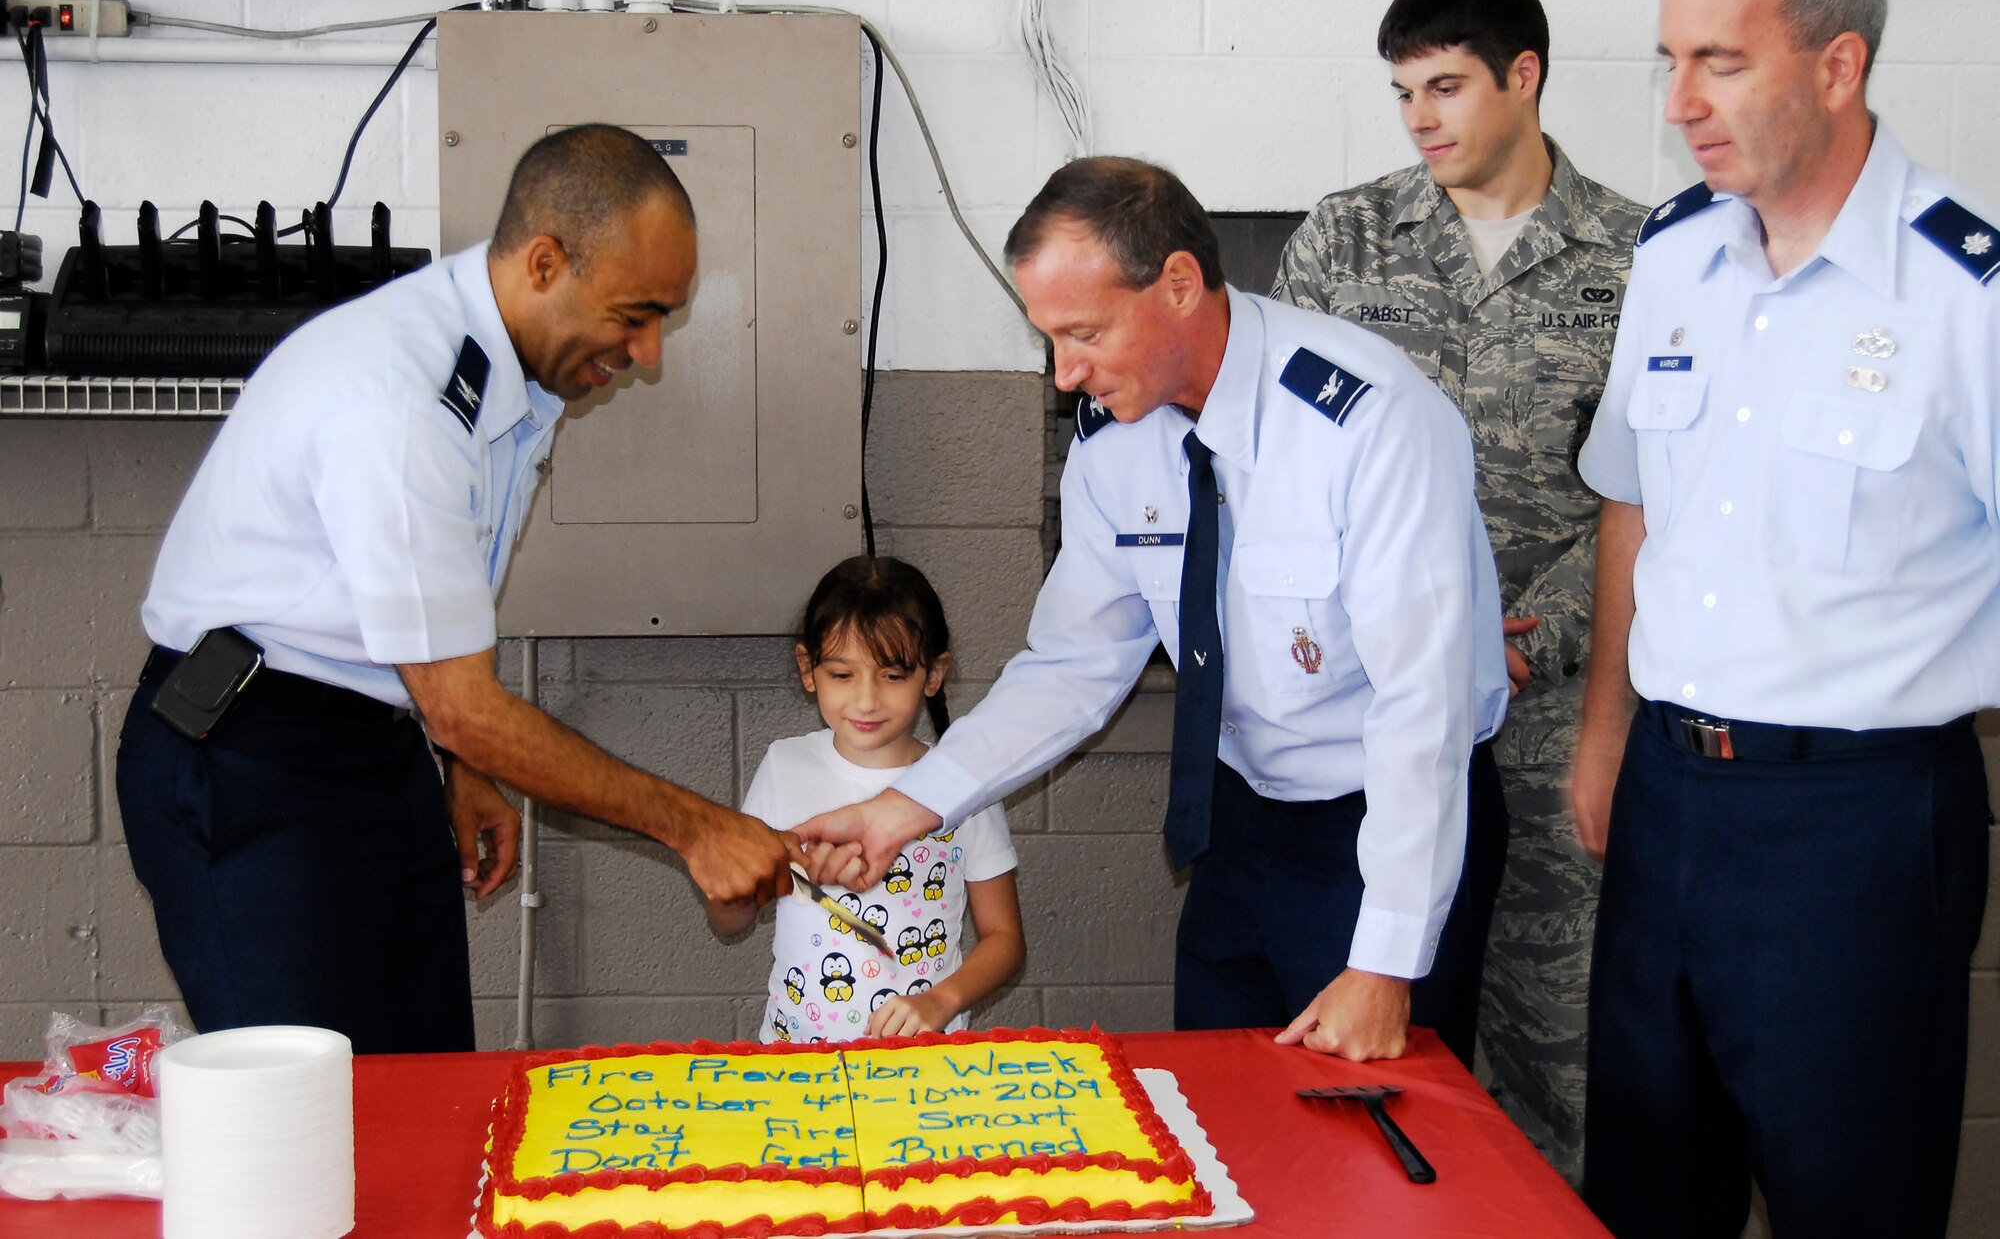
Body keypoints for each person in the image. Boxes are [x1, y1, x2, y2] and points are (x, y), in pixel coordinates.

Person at [799, 157, 1509, 1065]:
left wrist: (1386, 958)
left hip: (1382, 826)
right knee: (1226, 1110)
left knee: (1380, 1157)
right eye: (1048, 338)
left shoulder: (1367, 422)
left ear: (1178, 283)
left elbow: (1426, 710)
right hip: (1241, 821)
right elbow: (1071, 667)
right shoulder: (1114, 446)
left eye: (1084, 332)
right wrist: (907, 806)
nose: (1064, 374)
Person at [117, 124, 797, 1055]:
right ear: (546, 262)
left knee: (421, 1089)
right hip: (248, 761)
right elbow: (468, 705)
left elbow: (436, 634)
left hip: (376, 747)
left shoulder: (506, 374)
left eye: (662, 321)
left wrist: (459, 764)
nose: (648, 353)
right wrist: (696, 827)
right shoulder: (401, 401)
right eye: (634, 314)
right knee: (306, 1113)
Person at [1570, 0, 1996, 1234]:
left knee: (1847, 1192)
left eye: (1720, 61)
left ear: (1838, 65)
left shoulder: (1961, 295)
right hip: (1669, 796)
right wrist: (1604, 736)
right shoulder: (1676, 255)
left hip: (1857, 822)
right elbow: (1633, 498)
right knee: (1648, 1182)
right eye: (1670, 59)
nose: (1681, 100)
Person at [1270, 0, 1646, 1178]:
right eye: (1400, 93)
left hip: (1551, 706)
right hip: (1371, 706)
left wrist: (1529, 630)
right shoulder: (1343, 237)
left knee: (1554, 1038)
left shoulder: (1638, 257)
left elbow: (1654, 490)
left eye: (1444, 86)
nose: (1419, 117)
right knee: (1369, 1020)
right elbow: (1285, 457)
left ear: (1522, 77)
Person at [709, 556, 1024, 1042]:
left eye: (893, 676)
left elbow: (1005, 940)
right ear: (807, 669)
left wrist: (940, 1000)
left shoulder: (963, 783)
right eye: (842, 675)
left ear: (934, 674)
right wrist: (726, 891)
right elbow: (732, 917)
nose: (866, 700)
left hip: (926, 1062)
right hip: (796, 1057)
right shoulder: (783, 766)